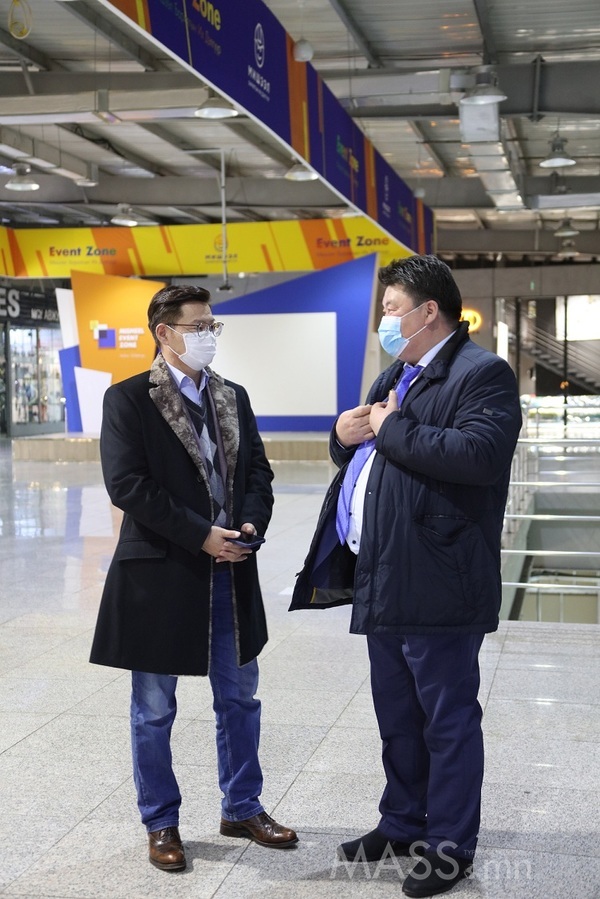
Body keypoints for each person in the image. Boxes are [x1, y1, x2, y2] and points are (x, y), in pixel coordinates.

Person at [290, 255, 522, 897]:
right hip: (386, 571)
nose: (384, 322)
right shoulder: (398, 370)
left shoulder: (483, 374)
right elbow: (370, 451)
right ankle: (402, 821)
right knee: (397, 714)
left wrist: (392, 425)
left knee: (446, 718)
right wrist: (343, 436)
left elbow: (477, 456)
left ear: (428, 311)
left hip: (440, 575)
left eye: (391, 309)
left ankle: (449, 845)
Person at [90, 284, 297, 872]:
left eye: (213, 326)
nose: (209, 335)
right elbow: (127, 485)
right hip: (163, 572)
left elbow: (258, 472)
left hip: (230, 572)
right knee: (154, 709)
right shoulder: (129, 399)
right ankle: (161, 821)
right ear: (165, 332)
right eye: (198, 326)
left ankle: (242, 807)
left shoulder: (232, 396)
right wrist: (200, 534)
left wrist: (250, 523)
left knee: (240, 698)